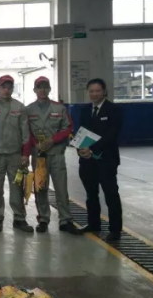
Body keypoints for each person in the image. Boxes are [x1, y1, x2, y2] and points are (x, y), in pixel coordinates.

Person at [26, 77, 81, 235]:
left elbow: (68, 127)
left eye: (45, 87)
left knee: (61, 188)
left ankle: (65, 220)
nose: (42, 90)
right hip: (39, 156)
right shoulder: (28, 110)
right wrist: (34, 143)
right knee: (40, 188)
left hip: (56, 153)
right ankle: (43, 219)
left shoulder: (59, 108)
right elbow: (25, 131)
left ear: (49, 89)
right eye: (39, 87)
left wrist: (53, 140)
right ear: (35, 90)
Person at [0, 75, 33, 233]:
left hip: (15, 155)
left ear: (12, 89)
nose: (6, 90)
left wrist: (25, 154)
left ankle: (19, 218)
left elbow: (25, 133)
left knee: (17, 186)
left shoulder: (20, 107)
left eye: (9, 87)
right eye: (3, 87)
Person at [77, 78, 124, 241]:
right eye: (91, 91)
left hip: (107, 160)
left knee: (111, 194)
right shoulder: (85, 110)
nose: (94, 94)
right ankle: (93, 224)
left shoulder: (114, 110)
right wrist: (80, 150)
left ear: (104, 91)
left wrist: (92, 149)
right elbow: (81, 132)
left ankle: (115, 229)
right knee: (91, 194)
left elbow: (111, 135)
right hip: (87, 161)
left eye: (97, 91)